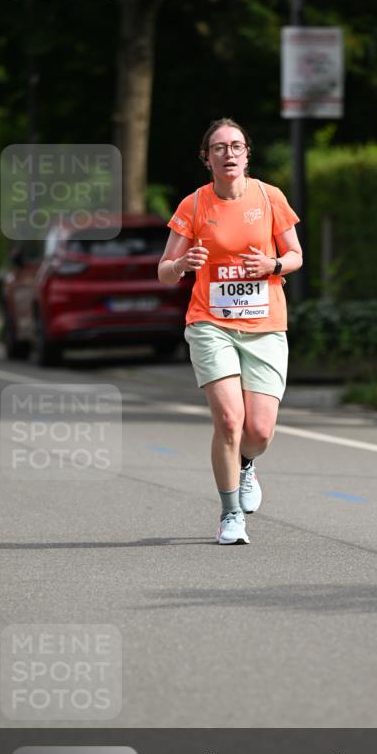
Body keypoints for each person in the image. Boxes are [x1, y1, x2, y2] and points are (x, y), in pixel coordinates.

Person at [158, 118, 303, 544]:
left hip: (265, 325)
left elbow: (295, 254)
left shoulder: (270, 197)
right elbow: (164, 271)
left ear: (247, 154)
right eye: (219, 148)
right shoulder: (194, 205)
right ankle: (230, 514)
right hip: (210, 324)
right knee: (228, 419)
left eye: (236, 146)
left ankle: (245, 465)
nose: (229, 154)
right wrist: (183, 266)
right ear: (207, 158)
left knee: (257, 431)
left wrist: (272, 266)